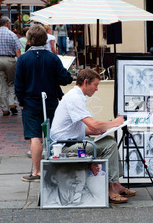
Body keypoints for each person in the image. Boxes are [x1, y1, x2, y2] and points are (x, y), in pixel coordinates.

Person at [50, 68, 135, 204]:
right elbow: (93, 124)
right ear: (85, 82)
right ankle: (111, 187)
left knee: (109, 140)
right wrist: (113, 123)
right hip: (65, 147)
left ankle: (115, 183)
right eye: (95, 85)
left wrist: (92, 131)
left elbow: (76, 127)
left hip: (67, 142)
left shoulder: (75, 96)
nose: (96, 89)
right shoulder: (75, 98)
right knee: (109, 145)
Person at [15, 24, 73, 182]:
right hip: (51, 101)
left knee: (35, 136)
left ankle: (37, 172)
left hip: (30, 101)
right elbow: (64, 79)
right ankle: (57, 168)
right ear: (45, 39)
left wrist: (21, 101)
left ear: (29, 39)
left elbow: (18, 84)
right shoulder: (52, 58)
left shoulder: (23, 59)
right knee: (55, 134)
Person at [0, 15, 22, 116]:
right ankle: (12, 103)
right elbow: (18, 50)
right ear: (8, 24)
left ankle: (5, 108)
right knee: (12, 82)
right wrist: (20, 63)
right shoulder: (12, 34)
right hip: (10, 59)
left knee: (1, 84)